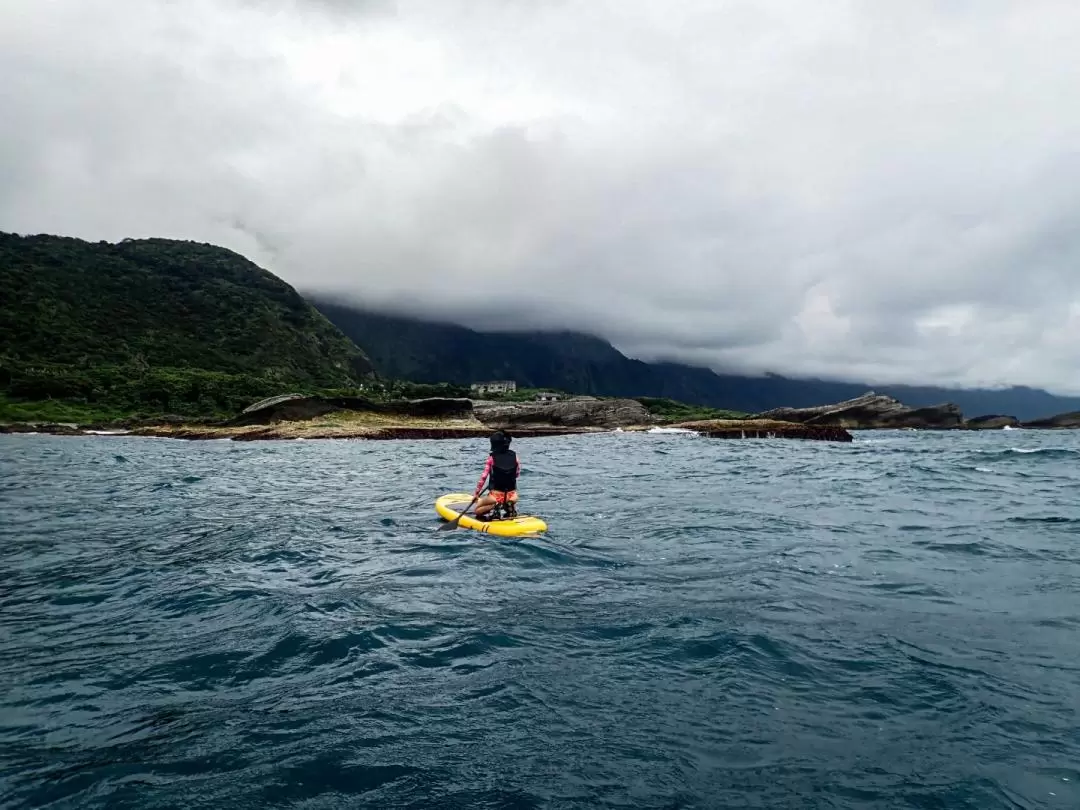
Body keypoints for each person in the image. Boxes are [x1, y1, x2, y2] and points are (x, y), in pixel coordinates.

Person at [473, 430, 520, 520]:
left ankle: (495, 506)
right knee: (508, 501)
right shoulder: (515, 456)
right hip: (512, 496)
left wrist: (476, 494)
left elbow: (483, 478)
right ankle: (509, 507)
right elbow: (516, 474)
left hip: (495, 496)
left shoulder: (491, 458)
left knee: (477, 510)